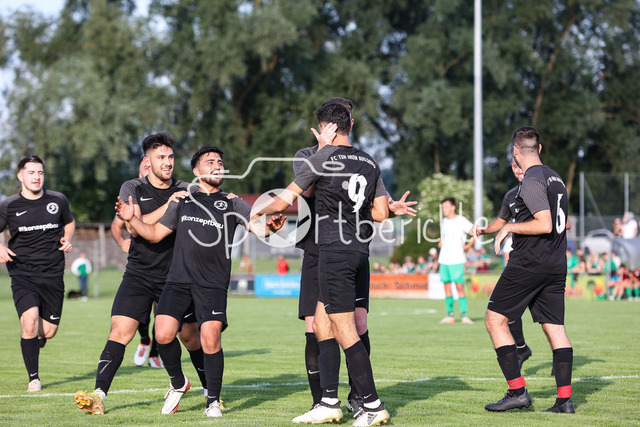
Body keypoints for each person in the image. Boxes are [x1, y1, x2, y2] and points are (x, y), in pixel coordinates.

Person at [115, 145, 284, 418]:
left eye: (220, 162)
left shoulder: (233, 202)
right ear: (196, 170)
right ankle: (178, 382)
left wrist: (270, 229)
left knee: (210, 338)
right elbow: (155, 234)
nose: (217, 166)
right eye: (210, 162)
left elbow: (257, 227)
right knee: (163, 333)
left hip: (213, 284)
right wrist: (132, 219)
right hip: (177, 281)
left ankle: (213, 401)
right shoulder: (183, 200)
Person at [254, 103, 396, 426]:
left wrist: (255, 211)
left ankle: (372, 405)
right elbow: (381, 213)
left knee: (344, 329)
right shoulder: (370, 161)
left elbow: (284, 200)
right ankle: (329, 402)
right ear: (351, 124)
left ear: (324, 128)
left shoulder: (321, 158)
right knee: (320, 324)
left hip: (334, 252)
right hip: (359, 250)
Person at [291, 96, 416, 417]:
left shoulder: (360, 161)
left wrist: (391, 208)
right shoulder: (306, 156)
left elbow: (377, 209)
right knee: (316, 326)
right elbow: (307, 192)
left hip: (344, 249)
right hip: (317, 250)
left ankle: (361, 399)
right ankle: (323, 400)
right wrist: (323, 151)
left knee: (354, 323)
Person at [74, 133, 206, 414]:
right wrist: (169, 204)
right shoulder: (132, 187)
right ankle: (99, 396)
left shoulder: (187, 189)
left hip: (176, 277)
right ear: (148, 161)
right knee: (119, 330)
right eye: (161, 157)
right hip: (139, 274)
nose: (168, 162)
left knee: (191, 338)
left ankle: (210, 394)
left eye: (171, 157)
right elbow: (133, 229)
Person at [485, 126, 574, 414]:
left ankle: (517, 392)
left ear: (515, 152)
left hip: (529, 263)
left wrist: (509, 227)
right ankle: (564, 401)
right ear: (540, 148)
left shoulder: (532, 178)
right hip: (556, 265)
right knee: (555, 329)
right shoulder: (556, 178)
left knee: (494, 320)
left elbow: (544, 224)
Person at [0, 155, 75, 392]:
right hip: (22, 273)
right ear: (20, 176)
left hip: (53, 274)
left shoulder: (58, 200)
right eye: (31, 172)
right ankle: (34, 378)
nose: (36, 177)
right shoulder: (9, 205)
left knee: (48, 332)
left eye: (40, 172)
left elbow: (69, 222)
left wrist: (67, 238)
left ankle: (33, 340)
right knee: (29, 320)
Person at [472, 159, 533, 368]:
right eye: (514, 166)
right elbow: (501, 221)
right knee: (506, 310)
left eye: (520, 165)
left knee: (550, 322)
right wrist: (483, 231)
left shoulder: (542, 190)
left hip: (540, 261)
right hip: (520, 259)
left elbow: (563, 223)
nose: (518, 170)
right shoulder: (510, 195)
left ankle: (557, 361)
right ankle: (522, 348)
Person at [110, 158, 161, 367]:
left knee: (161, 313)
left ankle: (155, 353)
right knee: (141, 313)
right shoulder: (132, 194)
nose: (149, 169)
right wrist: (121, 241)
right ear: (140, 172)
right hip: (140, 266)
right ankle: (145, 340)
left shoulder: (167, 192)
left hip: (165, 264)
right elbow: (117, 225)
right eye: (145, 167)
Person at [438, 197, 476, 324]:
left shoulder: (461, 220)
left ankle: (464, 315)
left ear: (453, 207)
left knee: (459, 286)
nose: (444, 209)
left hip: (457, 259)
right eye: (443, 207)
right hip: (444, 259)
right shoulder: (444, 221)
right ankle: (450, 315)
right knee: (447, 287)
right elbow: (442, 236)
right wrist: (441, 242)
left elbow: (475, 232)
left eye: (446, 207)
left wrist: (468, 246)